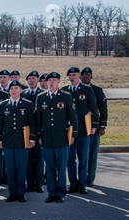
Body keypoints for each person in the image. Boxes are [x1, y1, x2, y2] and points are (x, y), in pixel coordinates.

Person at [36, 72, 78, 203]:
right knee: (49, 167)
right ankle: (51, 192)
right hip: (47, 138)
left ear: (59, 82)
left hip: (62, 138)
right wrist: (39, 136)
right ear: (46, 82)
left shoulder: (66, 96)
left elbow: (73, 117)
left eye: (55, 80)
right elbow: (38, 119)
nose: (52, 82)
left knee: (61, 166)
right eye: (50, 80)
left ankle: (60, 193)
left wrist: (73, 135)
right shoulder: (41, 97)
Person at [62, 67, 99, 194]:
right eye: (70, 75)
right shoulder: (64, 91)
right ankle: (73, 183)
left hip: (84, 129)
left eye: (74, 75)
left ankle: (82, 184)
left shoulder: (87, 90)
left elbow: (94, 108)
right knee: (70, 158)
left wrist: (94, 125)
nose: (72, 77)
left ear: (79, 76)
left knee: (83, 158)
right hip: (69, 130)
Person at [0, 80, 36, 203]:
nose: (14, 91)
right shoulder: (3, 105)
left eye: (16, 88)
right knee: (10, 169)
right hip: (8, 142)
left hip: (22, 142)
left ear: (20, 90)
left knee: (21, 169)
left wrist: (32, 138)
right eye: (11, 88)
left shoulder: (28, 104)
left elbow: (32, 123)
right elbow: (0, 124)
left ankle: (21, 193)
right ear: (9, 91)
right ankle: (12, 193)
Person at [81, 67, 108, 187]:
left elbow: (103, 109)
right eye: (83, 74)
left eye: (88, 74)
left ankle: (90, 178)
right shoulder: (76, 90)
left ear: (91, 76)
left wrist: (102, 126)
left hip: (93, 127)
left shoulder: (97, 90)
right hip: (80, 128)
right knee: (80, 154)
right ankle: (80, 177)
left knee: (92, 154)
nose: (85, 76)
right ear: (80, 76)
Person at [22, 71, 45, 193]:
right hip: (26, 132)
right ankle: (29, 184)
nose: (31, 80)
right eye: (29, 78)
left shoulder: (43, 94)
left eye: (34, 78)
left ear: (38, 80)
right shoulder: (23, 94)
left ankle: (39, 184)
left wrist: (41, 134)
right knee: (28, 160)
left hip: (39, 132)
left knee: (39, 160)